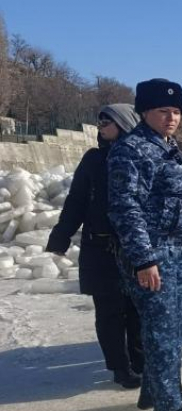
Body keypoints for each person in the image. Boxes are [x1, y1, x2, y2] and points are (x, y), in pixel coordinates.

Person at [107, 79, 182, 411]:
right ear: (145, 111)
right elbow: (125, 208)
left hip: (177, 249)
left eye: (177, 111)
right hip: (152, 252)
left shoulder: (172, 147)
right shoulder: (131, 150)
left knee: (174, 327)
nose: (172, 118)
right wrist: (144, 259)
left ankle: (156, 388)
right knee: (161, 327)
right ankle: (167, 405)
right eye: (164, 111)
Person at [47, 104, 144, 388]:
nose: (100, 127)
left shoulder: (141, 156)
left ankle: (141, 361)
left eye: (106, 121)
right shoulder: (93, 159)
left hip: (135, 249)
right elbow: (76, 201)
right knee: (110, 312)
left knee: (137, 311)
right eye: (99, 122)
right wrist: (60, 237)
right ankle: (120, 367)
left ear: (124, 123)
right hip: (100, 249)